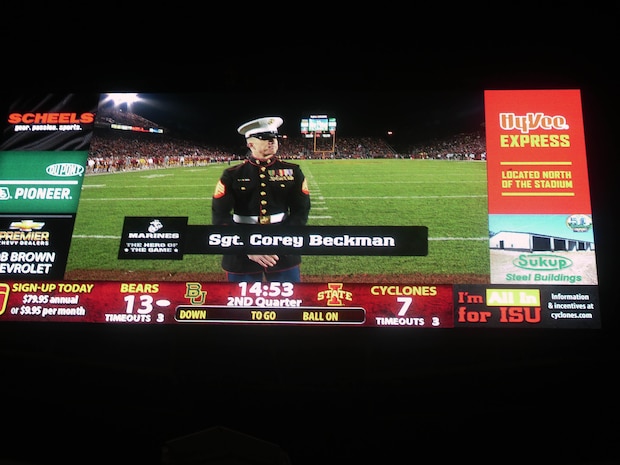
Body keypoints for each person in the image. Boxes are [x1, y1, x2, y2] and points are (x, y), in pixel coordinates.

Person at [212, 116, 311, 282]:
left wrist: (281, 241)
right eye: (265, 139)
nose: (272, 142)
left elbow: (301, 211)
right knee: (241, 303)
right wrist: (246, 247)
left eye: (274, 138)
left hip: (282, 250)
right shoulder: (233, 174)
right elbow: (220, 215)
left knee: (289, 302)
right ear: (251, 144)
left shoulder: (293, 171)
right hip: (242, 253)